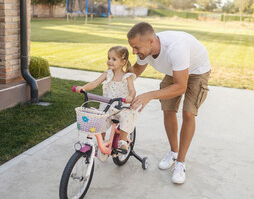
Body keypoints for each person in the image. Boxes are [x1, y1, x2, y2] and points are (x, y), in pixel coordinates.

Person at [127, 22, 211, 184]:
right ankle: (173, 152)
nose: (134, 52)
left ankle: (180, 162)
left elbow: (180, 87)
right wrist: (120, 83)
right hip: (176, 69)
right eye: (132, 47)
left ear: (151, 41)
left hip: (197, 70)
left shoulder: (175, 48)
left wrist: (149, 95)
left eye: (136, 48)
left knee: (188, 112)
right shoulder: (145, 49)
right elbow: (136, 70)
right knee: (168, 109)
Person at [74, 46, 137, 154]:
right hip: (107, 106)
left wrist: (130, 97)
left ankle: (122, 141)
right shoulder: (107, 74)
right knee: (99, 119)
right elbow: (94, 83)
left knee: (126, 116)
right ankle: (101, 142)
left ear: (123, 62)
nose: (109, 61)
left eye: (114, 59)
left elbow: (132, 90)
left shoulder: (127, 76)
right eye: (108, 58)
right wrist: (83, 88)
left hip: (121, 106)